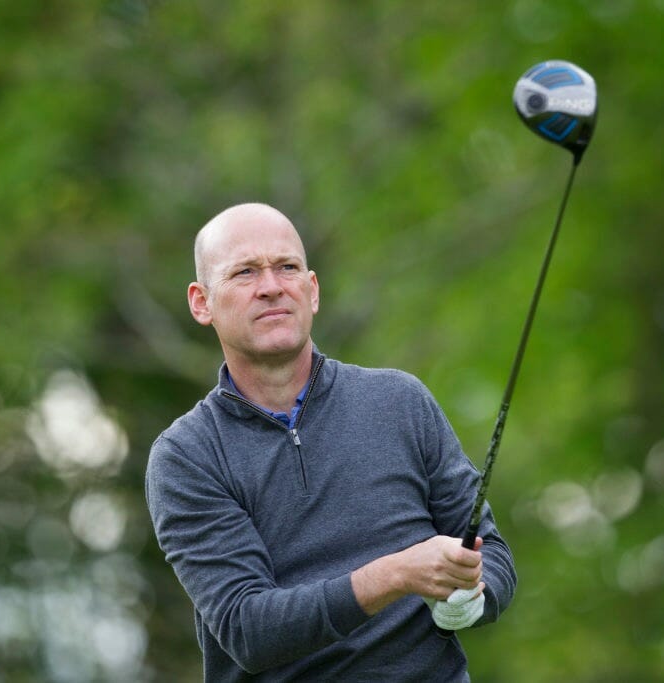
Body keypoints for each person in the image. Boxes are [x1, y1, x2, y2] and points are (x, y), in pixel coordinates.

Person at [145, 203, 517, 681]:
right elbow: (247, 629)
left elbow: (492, 553)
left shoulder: (400, 401)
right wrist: (396, 574)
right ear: (202, 303)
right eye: (244, 272)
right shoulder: (186, 455)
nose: (271, 286)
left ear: (313, 290)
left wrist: (472, 596)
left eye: (287, 267)